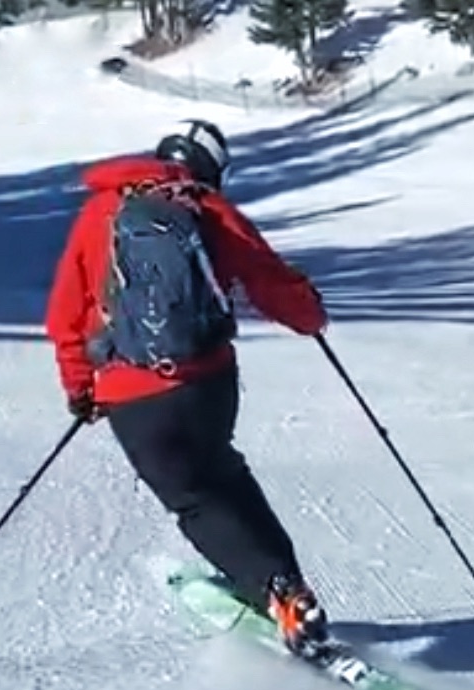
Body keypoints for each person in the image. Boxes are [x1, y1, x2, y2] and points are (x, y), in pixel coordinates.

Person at [44, 120, 331, 657]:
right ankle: (285, 588)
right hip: (209, 382)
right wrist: (309, 315)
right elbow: (271, 281)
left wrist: (80, 386)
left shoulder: (99, 213)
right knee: (223, 471)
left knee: (194, 498)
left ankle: (271, 590)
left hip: (133, 394)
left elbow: (65, 311)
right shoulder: (208, 208)